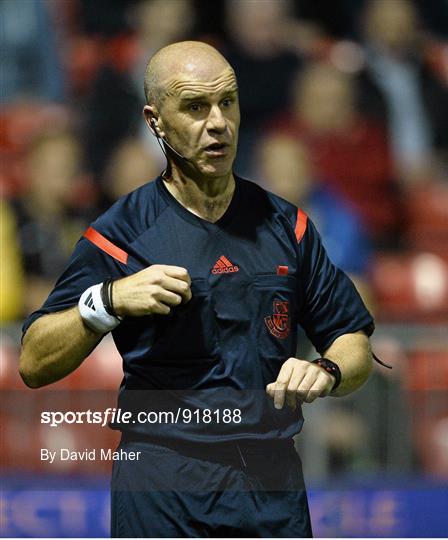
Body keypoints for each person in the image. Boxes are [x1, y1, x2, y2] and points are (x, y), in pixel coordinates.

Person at [20, 41, 377, 537]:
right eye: (194, 106)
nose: (218, 122)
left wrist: (327, 369)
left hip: (271, 482)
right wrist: (108, 301)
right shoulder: (120, 232)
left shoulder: (287, 225)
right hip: (162, 480)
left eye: (227, 102)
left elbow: (354, 343)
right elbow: (34, 361)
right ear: (155, 121)